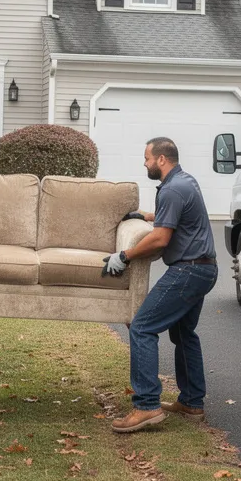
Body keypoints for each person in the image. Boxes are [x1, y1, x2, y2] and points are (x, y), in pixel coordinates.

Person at [102, 136, 218, 433]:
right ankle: (192, 402)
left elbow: (161, 238)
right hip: (203, 268)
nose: (145, 163)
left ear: (161, 160)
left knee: (142, 326)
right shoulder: (184, 182)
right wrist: (146, 215)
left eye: (147, 158)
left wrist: (124, 256)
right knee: (183, 333)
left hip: (188, 271)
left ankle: (146, 406)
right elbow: (173, 220)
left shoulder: (172, 189)